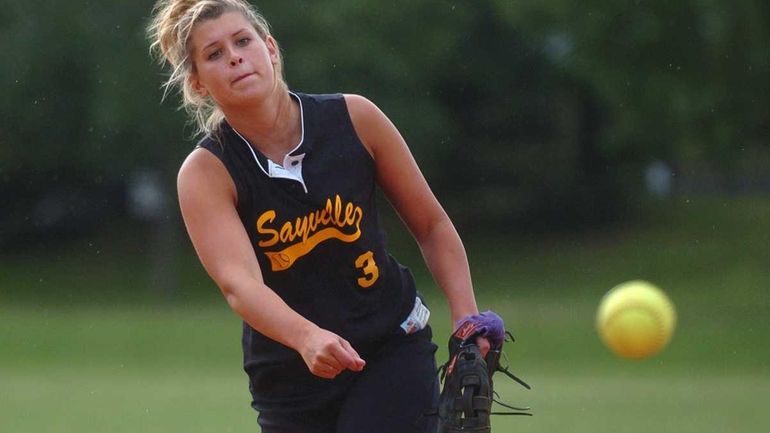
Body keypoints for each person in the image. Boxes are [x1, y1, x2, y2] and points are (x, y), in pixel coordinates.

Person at [147, 1, 491, 432]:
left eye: (243, 41)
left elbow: (432, 226)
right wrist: (307, 337)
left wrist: (466, 320)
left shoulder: (354, 118)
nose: (234, 56)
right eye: (214, 54)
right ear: (198, 85)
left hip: (390, 343)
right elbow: (240, 285)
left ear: (270, 48)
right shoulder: (207, 172)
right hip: (290, 376)